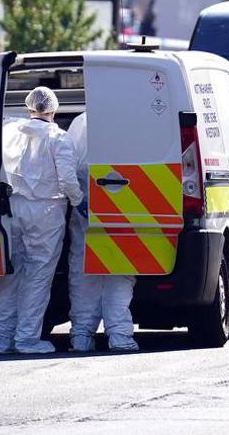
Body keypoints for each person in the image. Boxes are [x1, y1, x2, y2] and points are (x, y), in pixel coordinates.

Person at [0, 87, 82, 355]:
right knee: (38, 276)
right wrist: (78, 201)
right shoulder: (59, 138)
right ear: (53, 110)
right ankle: (27, 339)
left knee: (12, 275)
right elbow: (66, 179)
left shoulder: (11, 132)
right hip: (46, 211)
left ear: (30, 107)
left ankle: (3, 339)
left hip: (14, 208)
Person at [66, 112, 139, 353]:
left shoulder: (81, 122)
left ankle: (81, 337)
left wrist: (78, 200)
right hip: (125, 201)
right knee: (119, 269)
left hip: (86, 202)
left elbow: (69, 165)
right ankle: (119, 336)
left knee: (84, 270)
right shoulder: (133, 119)